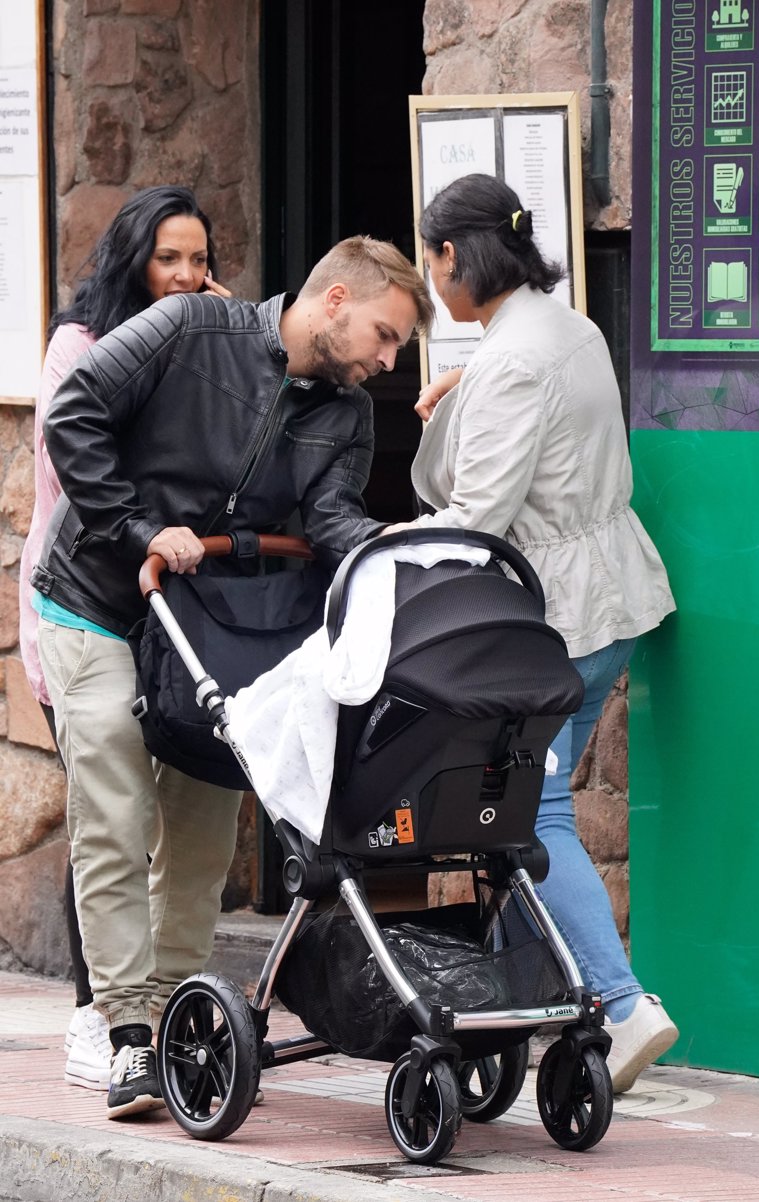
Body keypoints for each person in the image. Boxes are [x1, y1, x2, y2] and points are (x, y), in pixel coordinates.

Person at [31, 234, 433, 1119]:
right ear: (333, 301)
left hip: (206, 625)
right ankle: (128, 1033)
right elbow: (73, 419)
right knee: (116, 794)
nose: (389, 359)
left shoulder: (346, 412)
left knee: (205, 825)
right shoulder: (186, 329)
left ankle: (178, 1014)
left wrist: (395, 555)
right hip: (97, 597)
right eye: (386, 334)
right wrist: (137, 530)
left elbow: (329, 520)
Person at [382, 173, 678, 1094]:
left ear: (453, 256)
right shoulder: (565, 325)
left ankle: (622, 1008)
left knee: (528, 818)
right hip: (611, 606)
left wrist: (393, 544)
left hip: (555, 622)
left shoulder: (513, 357)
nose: (434, 286)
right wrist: (460, 399)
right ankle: (530, 1003)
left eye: (433, 264)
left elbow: (478, 515)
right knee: (516, 815)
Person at [18, 185, 231, 1094]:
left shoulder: (208, 340)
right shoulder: (83, 345)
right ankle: (91, 1016)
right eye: (167, 259)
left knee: (165, 810)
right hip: (82, 598)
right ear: (132, 259)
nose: (184, 275)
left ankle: (145, 1009)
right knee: (109, 803)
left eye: (197, 259)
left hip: (171, 613)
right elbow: (77, 477)